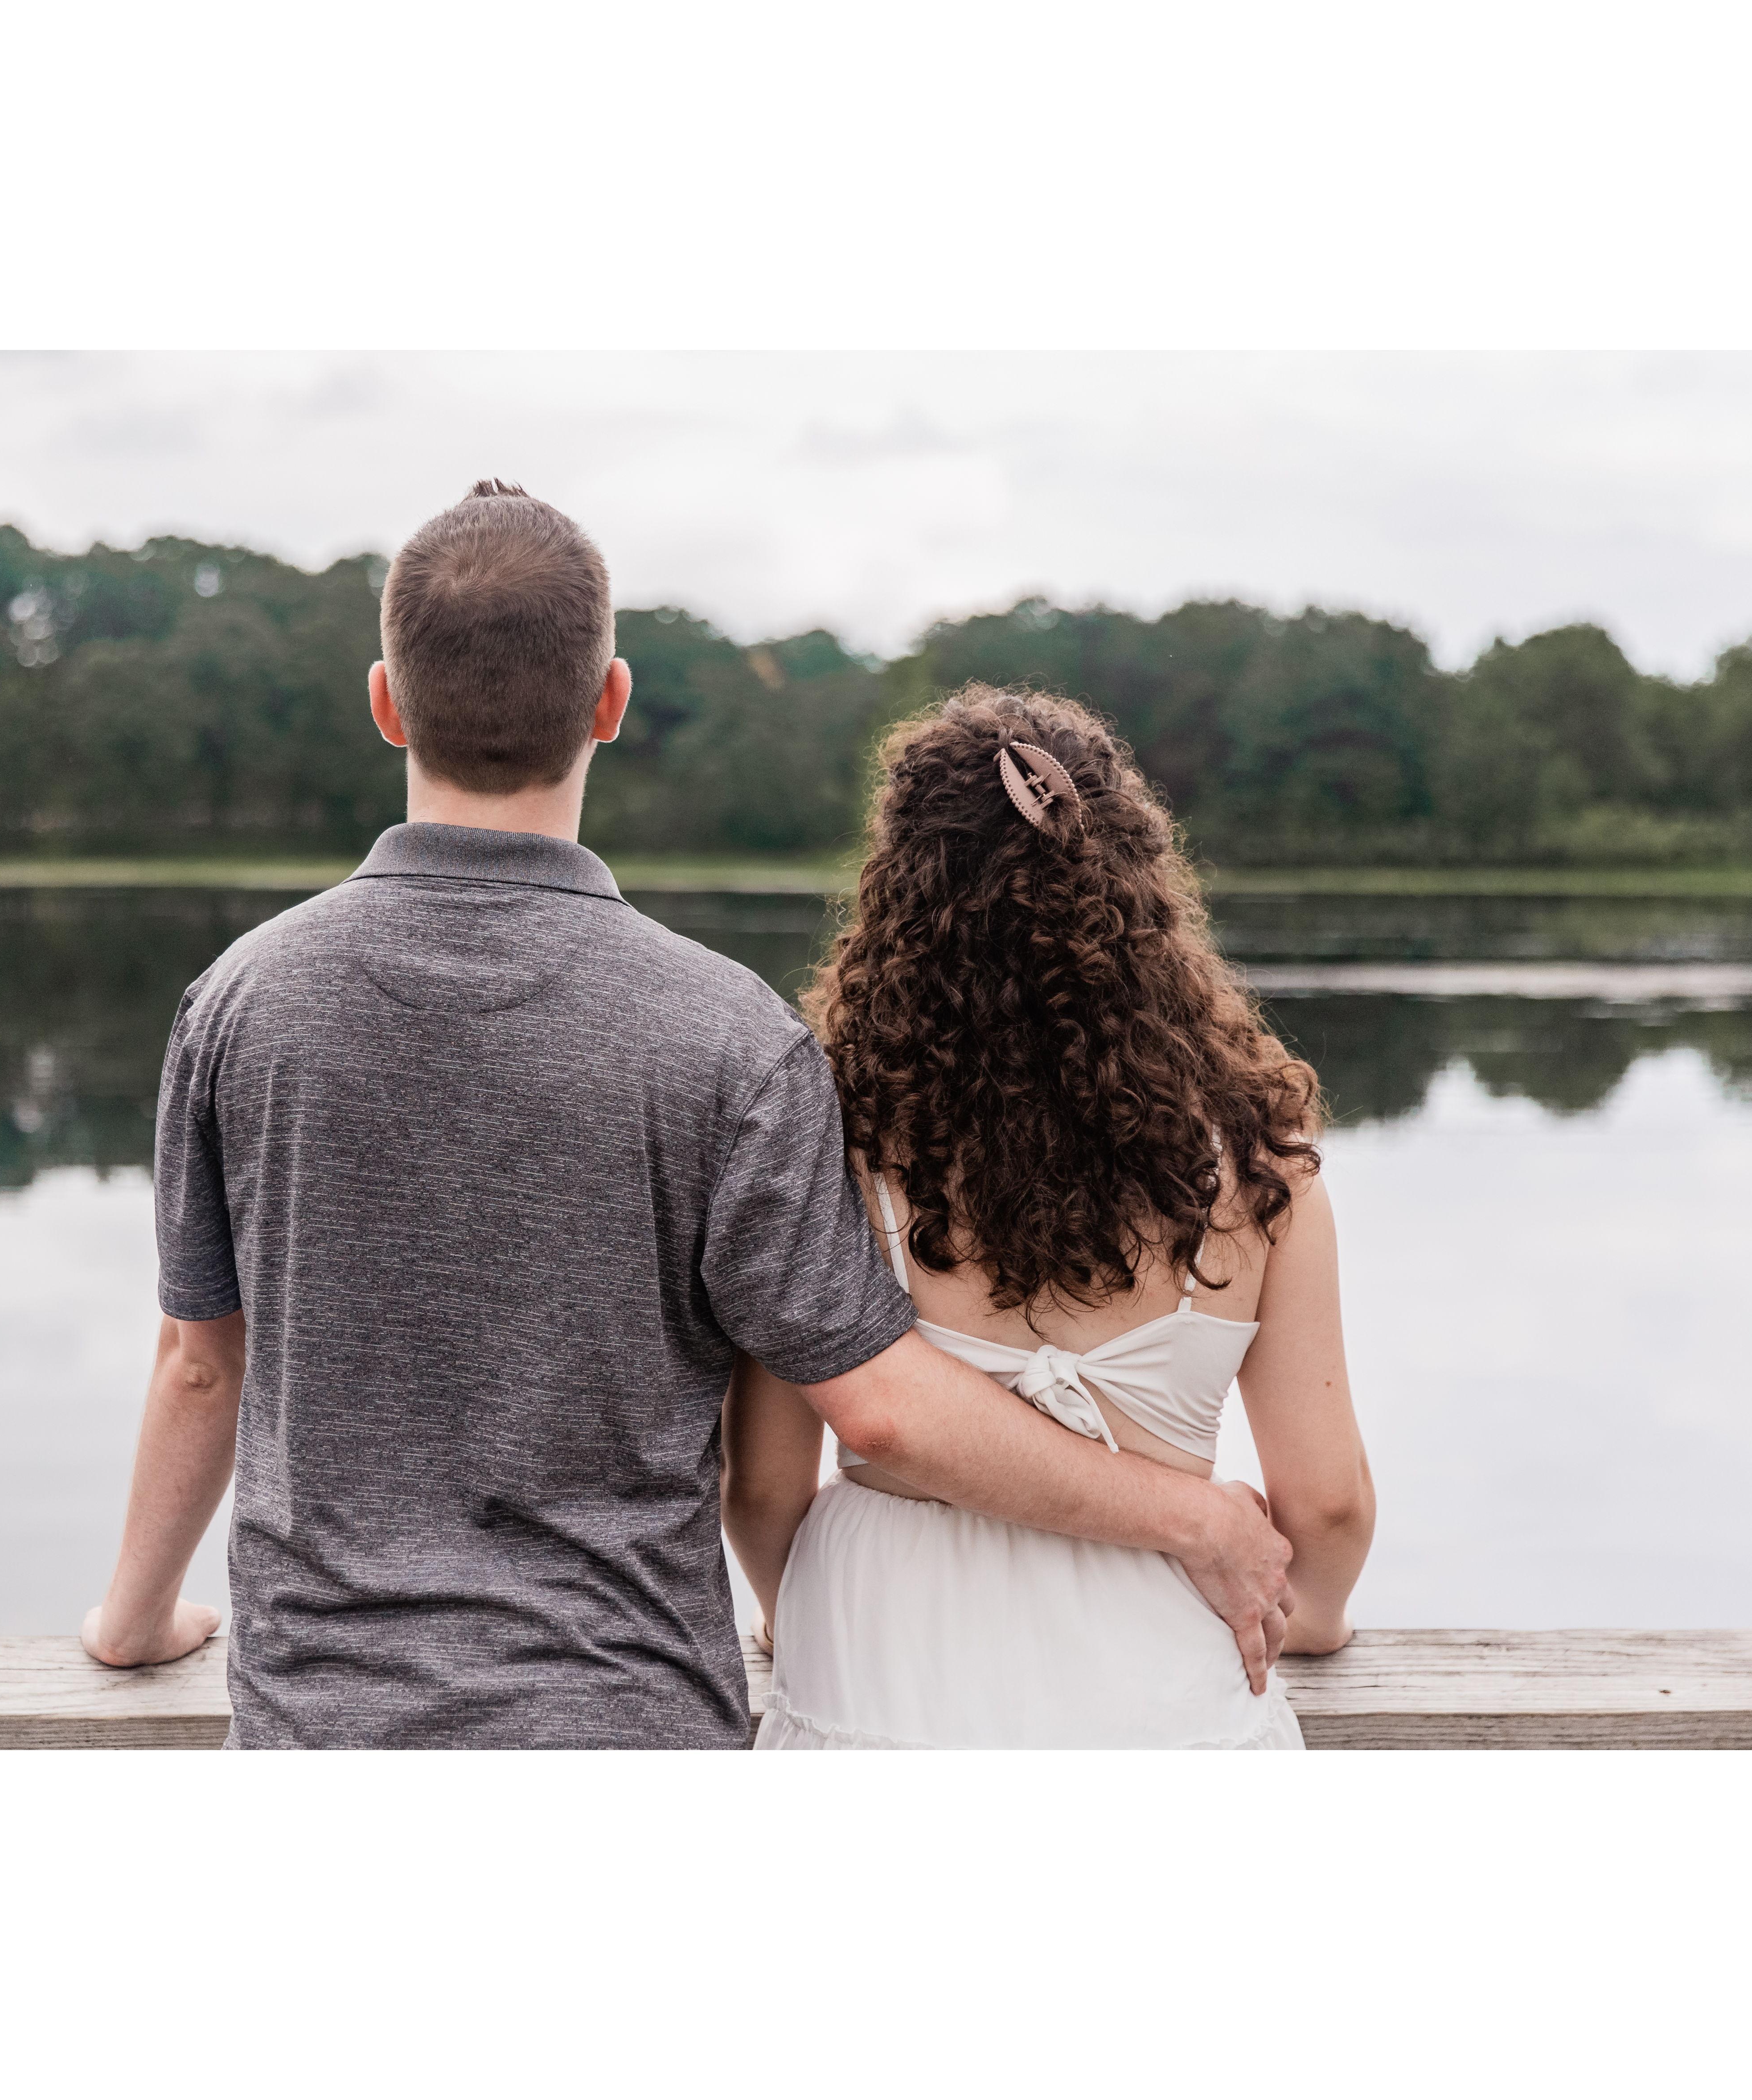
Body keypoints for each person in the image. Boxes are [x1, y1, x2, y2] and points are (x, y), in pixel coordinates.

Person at [79, 484, 1294, 1748]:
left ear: (385, 700)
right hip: (631, 1724)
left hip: (321, 1728)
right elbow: (875, 1406)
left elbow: (201, 1362)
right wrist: (1193, 1515)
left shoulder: (238, 1005)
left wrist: (133, 1618)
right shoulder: (729, 1038)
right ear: (612, 700)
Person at [724, 685, 1376, 1750]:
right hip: (1155, 1678)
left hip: (883, 1666)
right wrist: (1309, 1621)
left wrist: (789, 1610)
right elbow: (1329, 1503)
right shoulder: (1258, 1165)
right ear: (1135, 885)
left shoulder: (832, 1141)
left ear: (897, 893)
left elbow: (760, 1486)